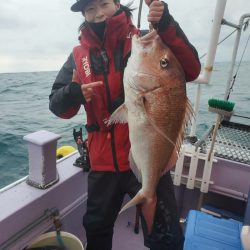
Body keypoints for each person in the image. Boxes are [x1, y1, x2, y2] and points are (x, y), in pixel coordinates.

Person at [49, 0, 201, 249]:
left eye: (104, 4)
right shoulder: (78, 56)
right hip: (102, 161)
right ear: (83, 14)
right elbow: (58, 107)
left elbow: (191, 69)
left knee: (166, 235)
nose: (98, 14)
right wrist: (73, 93)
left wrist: (166, 23)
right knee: (96, 228)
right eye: (89, 9)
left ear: (118, 3)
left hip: (148, 155)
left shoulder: (145, 40)